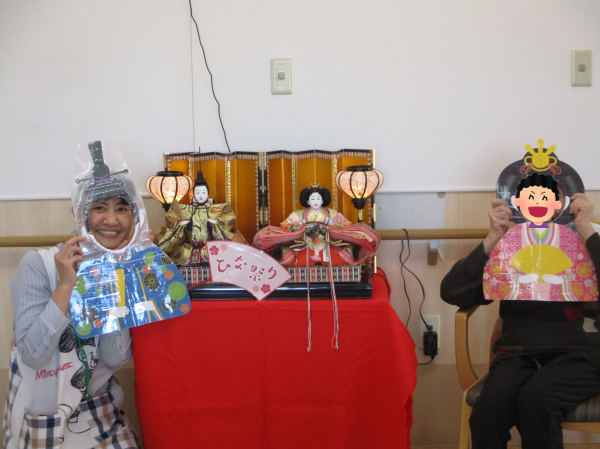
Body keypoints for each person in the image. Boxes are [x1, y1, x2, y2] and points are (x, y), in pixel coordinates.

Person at [441, 173, 600, 449]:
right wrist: (493, 238)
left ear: (564, 204)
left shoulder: (586, 238)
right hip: (517, 352)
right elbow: (453, 292)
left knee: (537, 399)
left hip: (580, 353)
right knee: (488, 411)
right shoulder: (509, 244)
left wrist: (585, 228)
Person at [4, 196, 140, 448]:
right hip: (42, 417)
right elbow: (33, 356)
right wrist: (66, 285)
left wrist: (116, 278)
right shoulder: (39, 264)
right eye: (99, 208)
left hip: (98, 411)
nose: (112, 220)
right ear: (78, 213)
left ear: (134, 218)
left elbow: (114, 358)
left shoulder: (122, 267)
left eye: (122, 209)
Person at [253, 184, 379, 266]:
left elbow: (346, 224)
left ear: (323, 200)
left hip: (328, 238)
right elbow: (285, 225)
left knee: (343, 251)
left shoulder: (331, 212)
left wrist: (330, 229)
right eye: (312, 199)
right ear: (307, 201)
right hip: (304, 239)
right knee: (289, 251)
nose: (315, 201)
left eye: (318, 198)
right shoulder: (299, 213)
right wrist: (301, 229)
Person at [156, 171, 247, 265]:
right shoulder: (186, 210)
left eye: (203, 192)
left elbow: (229, 217)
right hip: (188, 248)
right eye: (197, 192)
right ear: (193, 194)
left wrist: (217, 222)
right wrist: (179, 222)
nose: (200, 195)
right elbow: (171, 215)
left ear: (208, 194)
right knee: (180, 256)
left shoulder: (218, 209)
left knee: (218, 255)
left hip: (209, 247)